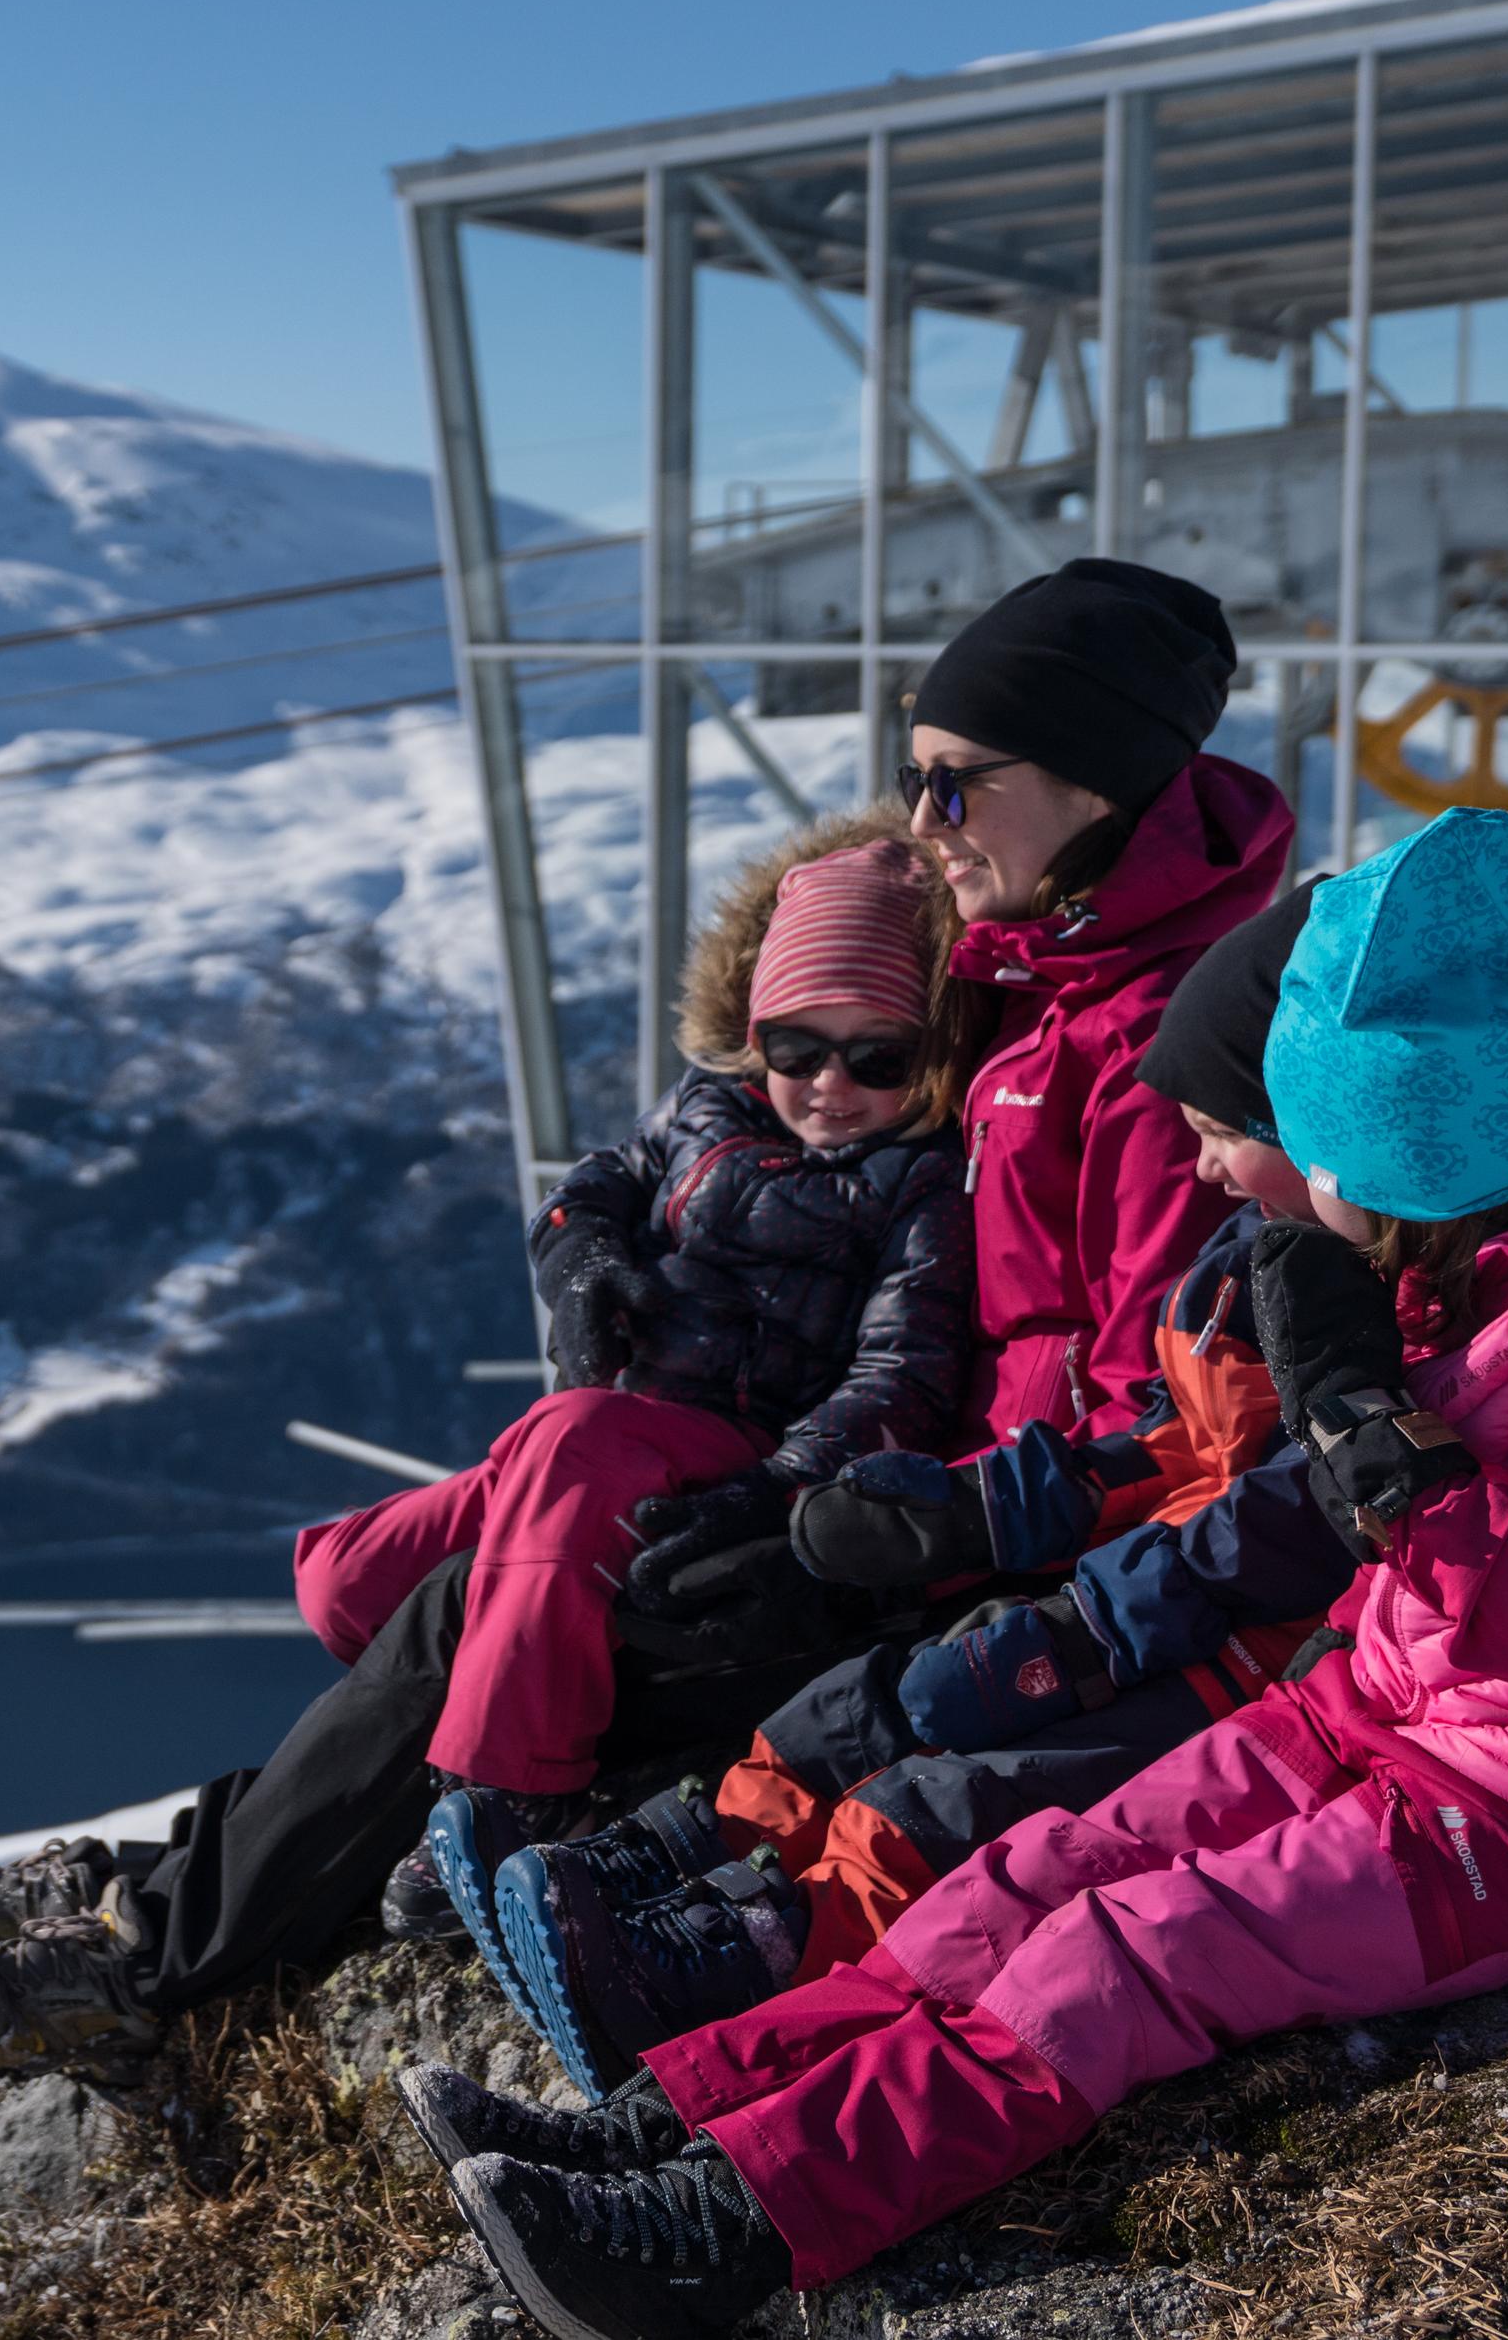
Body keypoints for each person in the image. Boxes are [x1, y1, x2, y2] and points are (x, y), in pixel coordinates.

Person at [402, 810, 1508, 2340]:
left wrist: (1364, 1415)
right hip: (1374, 1712)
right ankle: (685, 2116)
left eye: (1312, 1153)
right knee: (1030, 1871)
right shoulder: (1502, 1259)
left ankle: (739, 2221)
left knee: (1132, 1947)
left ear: (1403, 1157)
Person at [0, 822, 975, 2077]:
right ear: (749, 1031)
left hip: (728, 1478)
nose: (829, 1082)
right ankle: (132, 1887)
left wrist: (782, 1491)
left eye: (876, 1055)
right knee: (363, 1577)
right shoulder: (704, 1111)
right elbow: (597, 1185)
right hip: (606, 1455)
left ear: (927, 1056)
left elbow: (903, 1373)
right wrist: (580, 1253)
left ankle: (481, 1805)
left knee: (502, 1545)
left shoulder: (914, 1186)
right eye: (796, 1046)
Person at [470, 882, 1364, 2101]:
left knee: (950, 1796)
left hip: (1216, 1655)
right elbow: (1166, 1449)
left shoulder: (1348, 1314)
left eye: (1219, 1130)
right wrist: (977, 1505)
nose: (1200, 1165)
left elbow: (1282, 1517)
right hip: (1136, 1596)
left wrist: (1084, 1609)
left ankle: (727, 1969)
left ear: (1314, 1120)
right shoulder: (1245, 1257)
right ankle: (685, 1868)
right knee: (866, 1701)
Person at [607, 560, 1294, 1686]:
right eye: (911, 781)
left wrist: (916, 1549)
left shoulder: (1155, 1039)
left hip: (1017, 1546)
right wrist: (600, 1221)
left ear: (1094, 779)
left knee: (610, 1648)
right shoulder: (1022, 978)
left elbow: (1159, 1394)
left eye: (958, 784)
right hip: (920, 1479)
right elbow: (807, 1111)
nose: (926, 822)